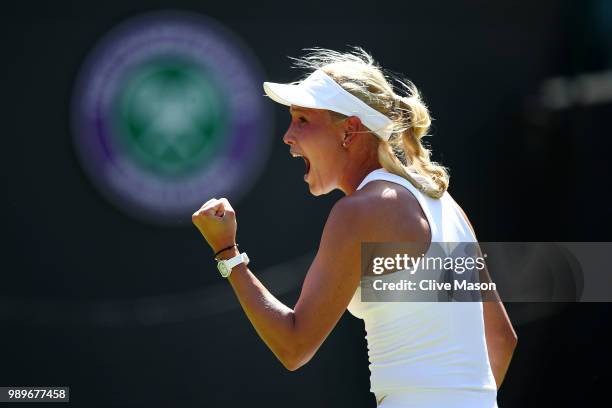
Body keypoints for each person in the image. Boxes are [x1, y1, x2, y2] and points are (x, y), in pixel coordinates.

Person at [192, 47, 517, 407]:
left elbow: (294, 345)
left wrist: (228, 253)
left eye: (302, 120)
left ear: (350, 130)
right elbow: (500, 340)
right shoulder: (448, 206)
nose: (287, 136)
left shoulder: (360, 211)